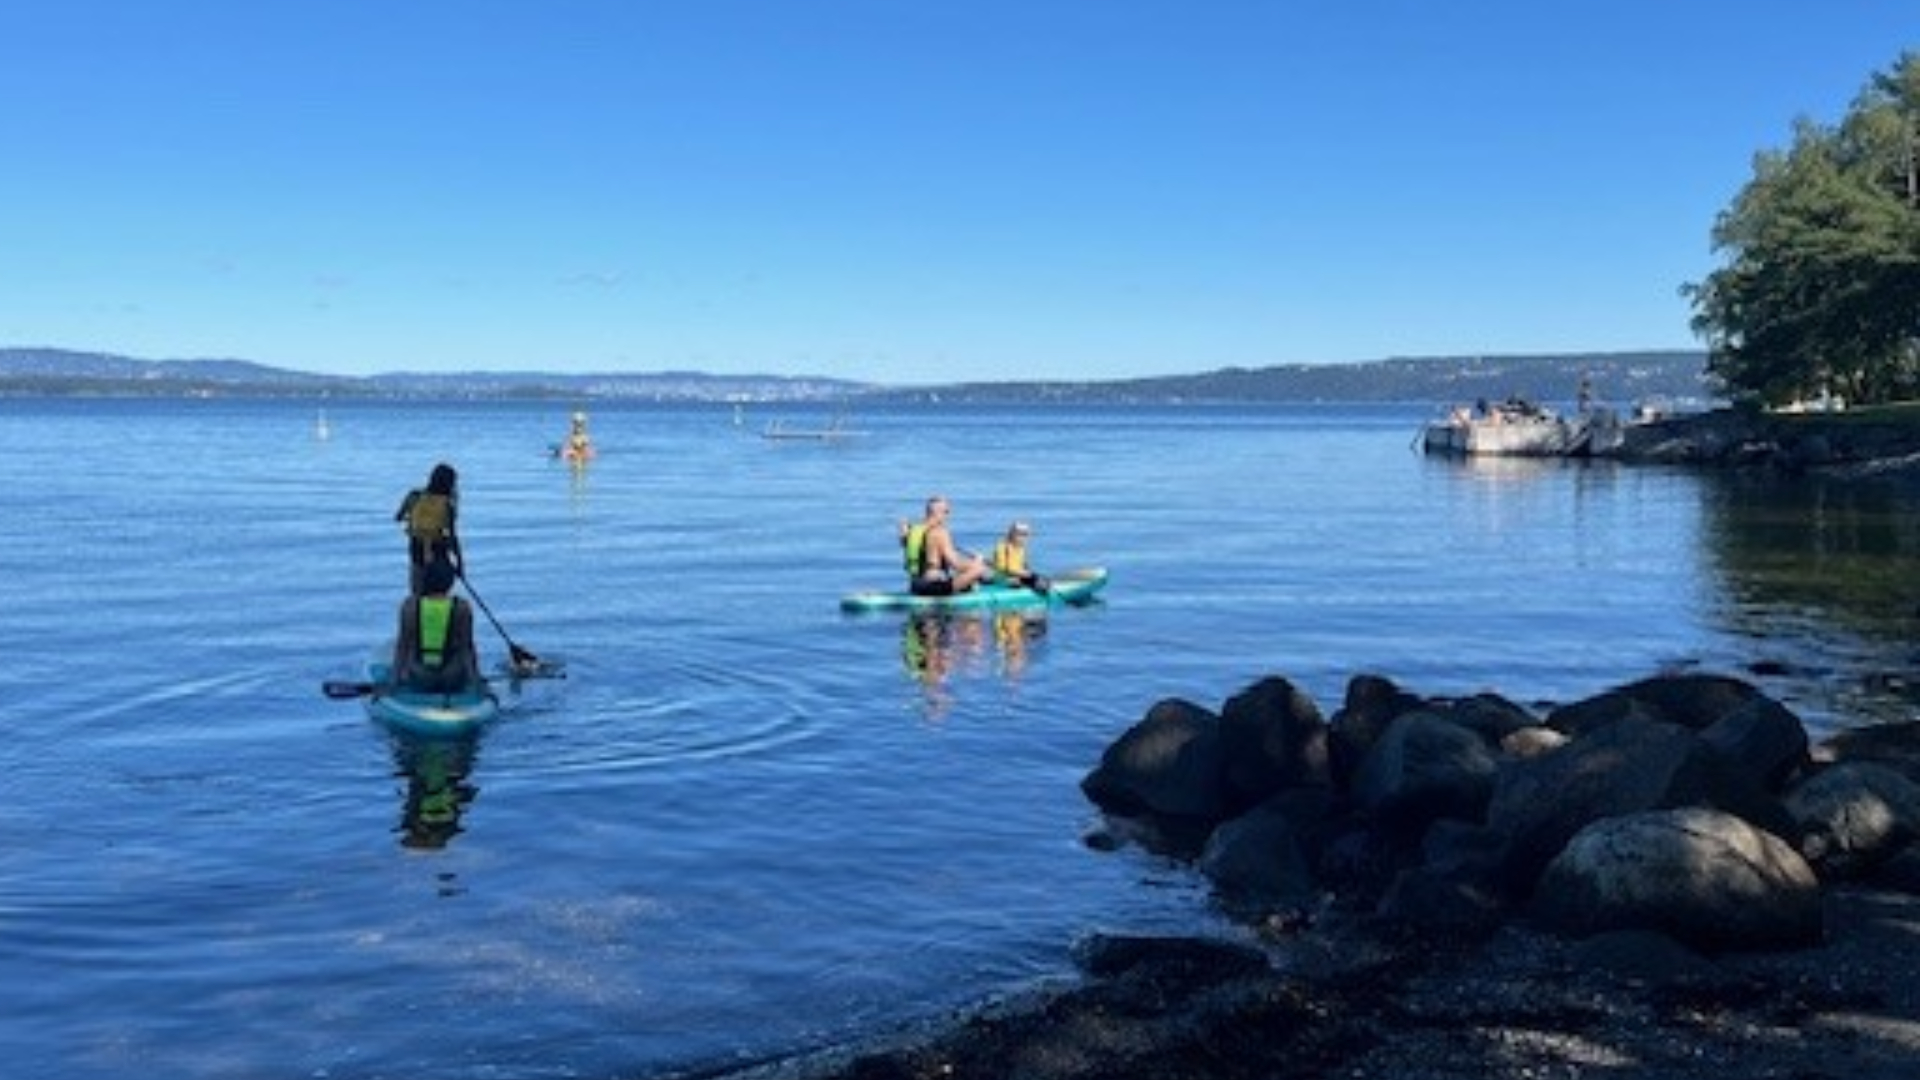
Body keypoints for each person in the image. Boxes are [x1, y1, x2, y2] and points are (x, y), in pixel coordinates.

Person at [389, 557, 483, 695]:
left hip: (421, 676)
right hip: (452, 676)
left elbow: (402, 647)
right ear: (450, 582)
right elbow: (467, 648)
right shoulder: (462, 607)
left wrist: (394, 682)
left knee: (410, 650)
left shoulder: (409, 606)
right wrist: (476, 682)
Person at [899, 495, 989, 596]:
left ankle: (972, 585)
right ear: (937, 513)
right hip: (933, 587)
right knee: (979, 569)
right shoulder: (940, 532)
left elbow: (904, 543)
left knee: (969, 573)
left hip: (915, 585)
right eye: (946, 511)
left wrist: (903, 531)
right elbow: (955, 564)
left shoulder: (914, 530)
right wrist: (976, 563)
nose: (948, 515)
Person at [395, 462, 463, 595]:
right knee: (440, 595)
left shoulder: (415, 496)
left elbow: (398, 517)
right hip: (439, 553)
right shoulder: (448, 504)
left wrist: (411, 519)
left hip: (417, 552)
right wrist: (460, 563)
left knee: (418, 595)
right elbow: (452, 536)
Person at [991, 520, 1050, 593]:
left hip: (1018, 576)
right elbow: (1002, 568)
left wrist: (1029, 573)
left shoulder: (1021, 548)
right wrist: (1022, 574)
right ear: (1012, 534)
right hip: (1004, 578)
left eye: (1026, 534)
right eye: (1021, 534)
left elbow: (1024, 566)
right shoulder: (1003, 547)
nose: (1024, 537)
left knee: (1041, 579)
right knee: (1025, 580)